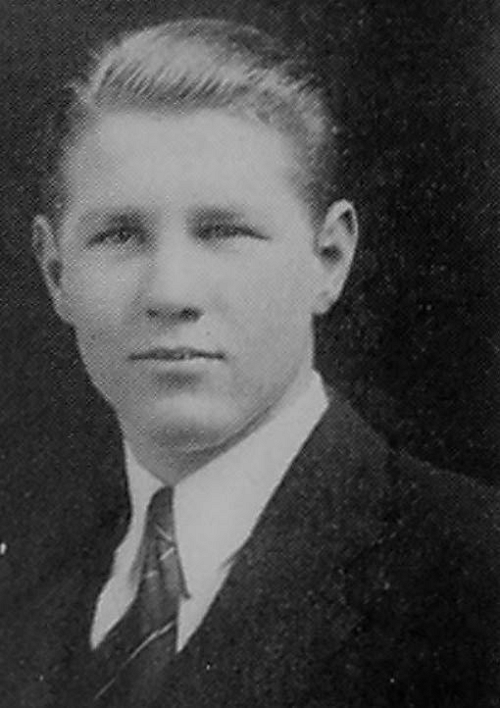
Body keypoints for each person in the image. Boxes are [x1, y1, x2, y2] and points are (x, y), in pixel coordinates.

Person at [0, 17, 498, 708]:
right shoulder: (27, 584)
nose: (170, 292)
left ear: (329, 259)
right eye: (119, 235)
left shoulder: (475, 575)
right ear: (56, 272)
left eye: (224, 231)